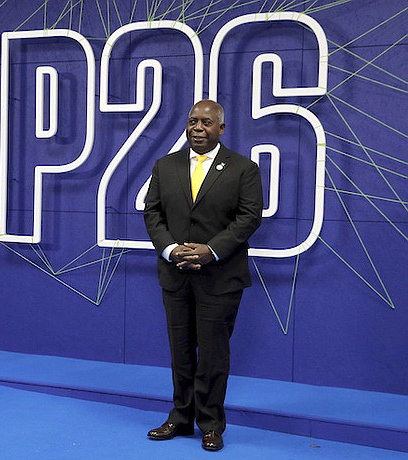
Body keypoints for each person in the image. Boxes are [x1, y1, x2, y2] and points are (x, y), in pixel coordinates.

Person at [143, 99, 263, 451]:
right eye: (193, 121)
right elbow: (152, 213)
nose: (198, 128)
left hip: (220, 278)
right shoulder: (165, 166)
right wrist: (171, 249)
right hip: (176, 274)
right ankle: (180, 418)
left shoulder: (244, 168)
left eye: (206, 123)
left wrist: (209, 251)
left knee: (212, 355)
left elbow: (249, 217)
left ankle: (210, 424)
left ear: (221, 129)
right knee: (180, 352)